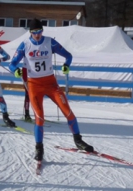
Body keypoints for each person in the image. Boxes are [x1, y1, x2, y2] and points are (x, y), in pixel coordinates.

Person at [8, 18, 94, 161]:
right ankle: (39, 147)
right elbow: (12, 64)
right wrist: (15, 71)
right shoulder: (25, 45)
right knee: (40, 118)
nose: (37, 35)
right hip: (34, 85)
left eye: (40, 31)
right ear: (30, 32)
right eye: (35, 32)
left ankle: (78, 140)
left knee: (68, 112)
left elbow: (68, 55)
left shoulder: (49, 42)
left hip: (51, 84)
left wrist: (66, 65)